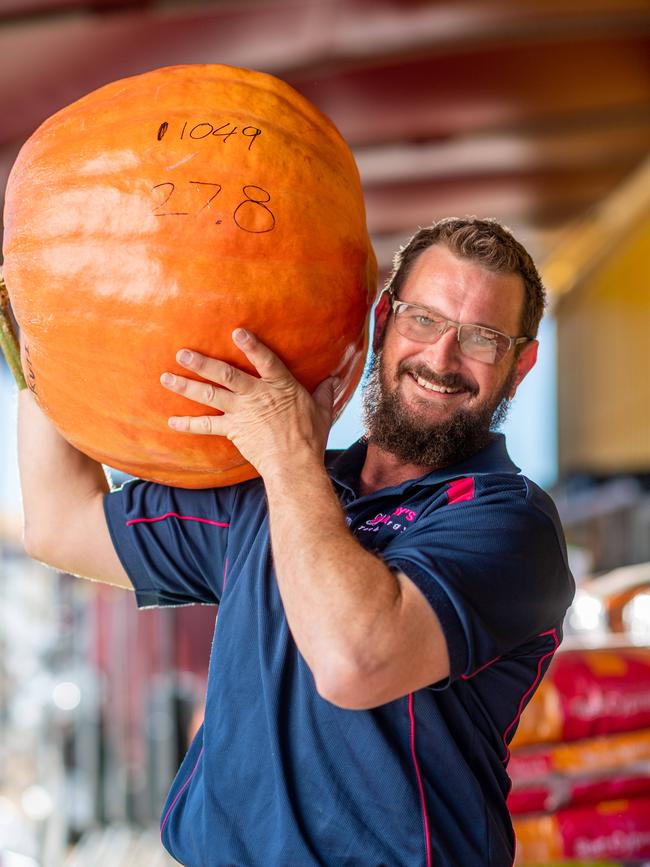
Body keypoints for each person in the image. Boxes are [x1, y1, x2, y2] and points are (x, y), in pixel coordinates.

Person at [18, 217, 574, 867]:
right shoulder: (271, 490)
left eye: (481, 337)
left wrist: (287, 458)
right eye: (423, 319)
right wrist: (42, 306)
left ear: (520, 363)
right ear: (383, 320)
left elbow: (354, 660)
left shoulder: (509, 524)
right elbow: (61, 520)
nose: (441, 358)